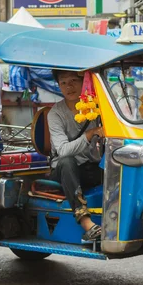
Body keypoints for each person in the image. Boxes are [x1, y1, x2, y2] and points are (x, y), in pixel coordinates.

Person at [48, 70, 105, 241]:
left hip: (91, 166)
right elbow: (63, 151)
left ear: (85, 82)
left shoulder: (96, 107)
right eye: (63, 83)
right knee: (67, 161)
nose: (69, 86)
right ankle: (87, 224)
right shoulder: (55, 113)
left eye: (73, 80)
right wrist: (89, 135)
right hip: (64, 171)